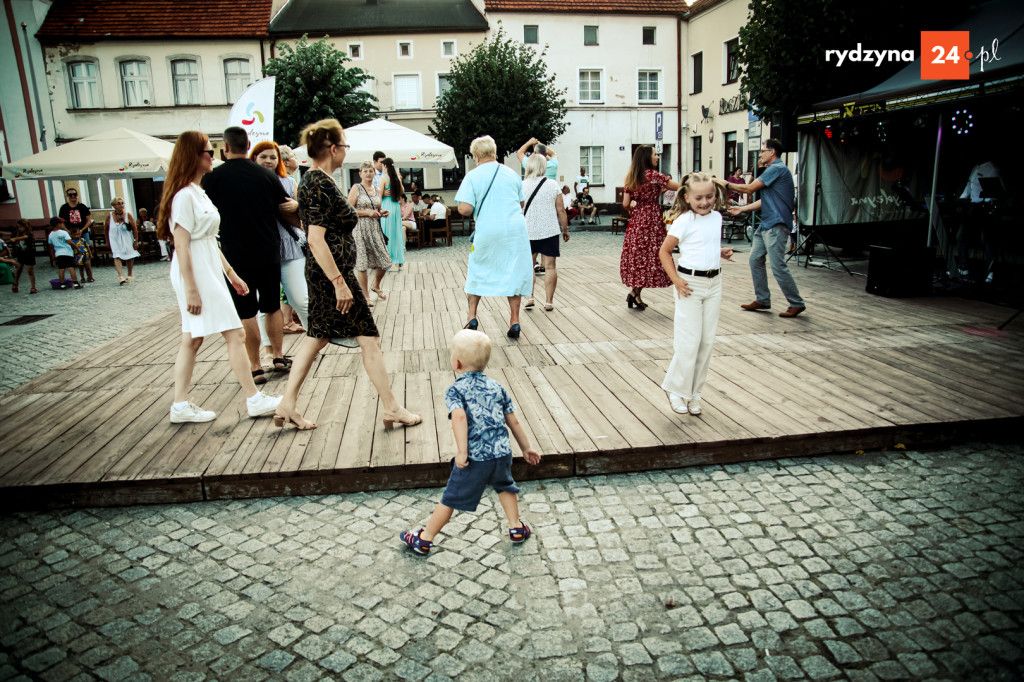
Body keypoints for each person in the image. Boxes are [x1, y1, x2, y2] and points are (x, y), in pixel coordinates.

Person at [272, 118, 421, 431]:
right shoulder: (319, 183)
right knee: (369, 338)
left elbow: (310, 224)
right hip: (333, 276)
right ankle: (392, 407)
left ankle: (287, 403)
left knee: (317, 337)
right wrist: (339, 283)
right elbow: (316, 238)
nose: (346, 151)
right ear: (332, 148)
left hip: (326, 274)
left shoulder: (314, 181)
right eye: (344, 145)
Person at [157, 131, 281, 424]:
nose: (213, 156)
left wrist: (231, 273)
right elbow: (182, 245)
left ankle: (180, 404)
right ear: (193, 156)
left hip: (208, 266)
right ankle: (253, 399)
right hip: (196, 271)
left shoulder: (197, 191)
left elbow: (210, 240)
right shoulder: (184, 196)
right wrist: (191, 289)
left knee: (193, 338)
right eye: (207, 152)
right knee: (233, 333)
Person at [399, 329, 541, 556]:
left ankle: (424, 539)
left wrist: (462, 452)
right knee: (505, 485)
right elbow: (512, 420)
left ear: (456, 363)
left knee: (451, 497)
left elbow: (459, 417)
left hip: (476, 456)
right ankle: (516, 527)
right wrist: (527, 447)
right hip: (501, 453)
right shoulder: (497, 387)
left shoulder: (456, 390)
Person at [202, 126, 297, 385]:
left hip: (235, 254)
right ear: (248, 147)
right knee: (272, 306)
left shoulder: (213, 178)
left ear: (225, 148)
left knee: (246, 312)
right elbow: (286, 208)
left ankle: (255, 366)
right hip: (268, 249)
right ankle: (278, 355)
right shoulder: (266, 176)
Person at [658, 173, 734, 416]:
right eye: (699, 198)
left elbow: (702, 243)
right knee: (689, 341)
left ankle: (694, 393)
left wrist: (719, 252)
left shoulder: (716, 218)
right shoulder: (683, 221)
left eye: (709, 196)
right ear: (687, 197)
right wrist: (676, 281)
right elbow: (664, 252)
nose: (705, 202)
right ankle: (676, 390)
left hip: (714, 283)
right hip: (689, 284)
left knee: (706, 342)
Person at [718, 138, 806, 318]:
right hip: (766, 224)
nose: (760, 154)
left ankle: (796, 303)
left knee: (777, 265)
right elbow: (764, 200)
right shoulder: (774, 171)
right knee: (755, 259)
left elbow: (749, 189)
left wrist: (725, 183)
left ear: (772, 152)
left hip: (776, 224)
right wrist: (742, 209)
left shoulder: (776, 168)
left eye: (762, 151)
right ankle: (763, 299)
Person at [456, 135, 533, 339]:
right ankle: (514, 321)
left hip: (487, 230)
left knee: (477, 269)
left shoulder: (472, 176)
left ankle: (472, 317)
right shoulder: (511, 174)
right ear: (494, 152)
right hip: (514, 231)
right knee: (513, 271)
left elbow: (465, 209)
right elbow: (521, 204)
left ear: (475, 155)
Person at [251, 140, 309, 347]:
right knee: (266, 304)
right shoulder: (249, 183)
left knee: (301, 299)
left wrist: (297, 205)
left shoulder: (289, 182)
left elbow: (305, 215)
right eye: (263, 157)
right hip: (262, 247)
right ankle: (269, 350)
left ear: (279, 160)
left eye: (272, 157)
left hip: (289, 245)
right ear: (254, 158)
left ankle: (315, 341)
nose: (268, 161)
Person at [620, 145, 680, 311]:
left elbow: (625, 203)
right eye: (655, 154)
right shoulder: (654, 176)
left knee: (640, 258)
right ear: (647, 157)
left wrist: (638, 206)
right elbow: (678, 186)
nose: (657, 157)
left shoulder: (631, 177)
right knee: (653, 256)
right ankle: (634, 294)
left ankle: (635, 293)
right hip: (652, 221)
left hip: (637, 221)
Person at [522, 153, 570, 311]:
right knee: (550, 267)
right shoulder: (553, 185)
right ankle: (549, 301)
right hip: (549, 230)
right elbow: (561, 210)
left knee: (528, 266)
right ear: (544, 167)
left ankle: (530, 297)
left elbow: (517, 209)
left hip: (527, 231)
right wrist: (565, 229)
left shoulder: (522, 185)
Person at [348, 161, 393, 304]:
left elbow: (376, 209)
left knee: (386, 260)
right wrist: (367, 213)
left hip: (374, 229)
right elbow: (348, 210)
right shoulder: (356, 188)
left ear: (374, 173)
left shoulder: (377, 189)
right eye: (365, 171)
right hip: (359, 229)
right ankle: (365, 296)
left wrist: (381, 212)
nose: (368, 173)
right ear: (360, 173)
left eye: (370, 171)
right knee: (362, 263)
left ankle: (376, 285)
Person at [58, 187, 94, 282]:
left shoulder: (82, 207)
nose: (73, 196)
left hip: (83, 233)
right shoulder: (64, 208)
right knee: (72, 253)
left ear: (77, 195)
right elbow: (61, 222)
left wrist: (82, 229)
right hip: (69, 234)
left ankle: (90, 276)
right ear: (67, 196)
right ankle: (78, 276)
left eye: (74, 194)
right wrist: (67, 231)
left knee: (85, 252)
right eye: (70, 195)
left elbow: (89, 220)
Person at [104, 197, 141, 285]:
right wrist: (107, 241)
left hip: (127, 238)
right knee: (116, 256)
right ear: (113, 206)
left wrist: (136, 241)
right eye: (118, 203)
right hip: (114, 239)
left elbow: (135, 229)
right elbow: (106, 229)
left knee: (129, 255)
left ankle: (130, 274)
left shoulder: (128, 215)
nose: (121, 205)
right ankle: (120, 276)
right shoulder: (109, 216)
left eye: (122, 203)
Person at [379, 157, 406, 269]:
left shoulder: (384, 178)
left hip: (386, 205)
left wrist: (382, 196)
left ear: (385, 166)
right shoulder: (396, 178)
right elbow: (402, 191)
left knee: (386, 232)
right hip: (395, 206)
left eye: (382, 166)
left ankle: (388, 259)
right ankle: (398, 260)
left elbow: (379, 196)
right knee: (396, 232)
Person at [47, 217, 80, 289]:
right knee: (71, 268)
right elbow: (70, 242)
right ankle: (76, 284)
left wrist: (53, 256)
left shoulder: (51, 234)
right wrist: (77, 248)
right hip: (68, 252)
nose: (63, 224)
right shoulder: (64, 232)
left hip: (58, 254)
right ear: (58, 224)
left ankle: (62, 284)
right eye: (61, 223)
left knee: (61, 268)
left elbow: (51, 246)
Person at [9, 219, 38, 294]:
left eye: (21, 227)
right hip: (21, 254)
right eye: (18, 227)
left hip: (29, 254)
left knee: (30, 271)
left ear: (26, 226)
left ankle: (33, 287)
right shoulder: (17, 233)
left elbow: (26, 237)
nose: (19, 228)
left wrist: (16, 238)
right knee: (18, 270)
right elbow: (12, 238)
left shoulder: (29, 233)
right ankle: (15, 283)